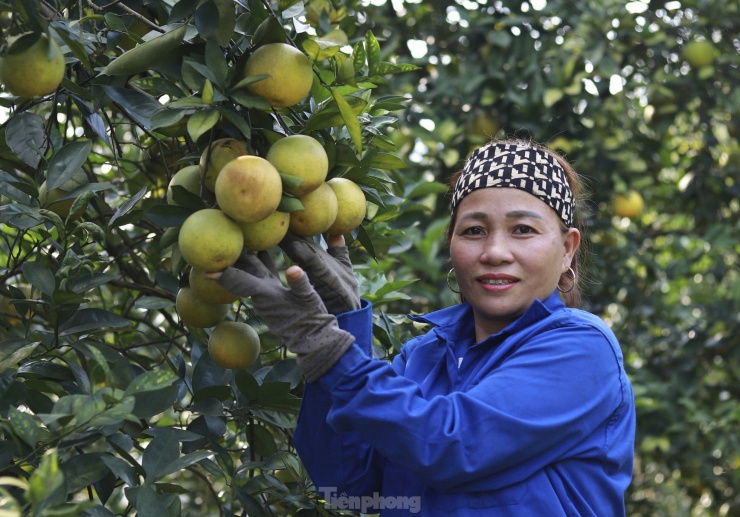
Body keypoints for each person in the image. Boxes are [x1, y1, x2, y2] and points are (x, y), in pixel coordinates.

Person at [207, 138, 636, 516]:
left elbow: (451, 446)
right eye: (474, 231)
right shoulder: (423, 358)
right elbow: (345, 486)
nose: (495, 251)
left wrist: (324, 344)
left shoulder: (583, 349)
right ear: (451, 244)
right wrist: (344, 320)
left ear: (566, 249)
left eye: (523, 229)